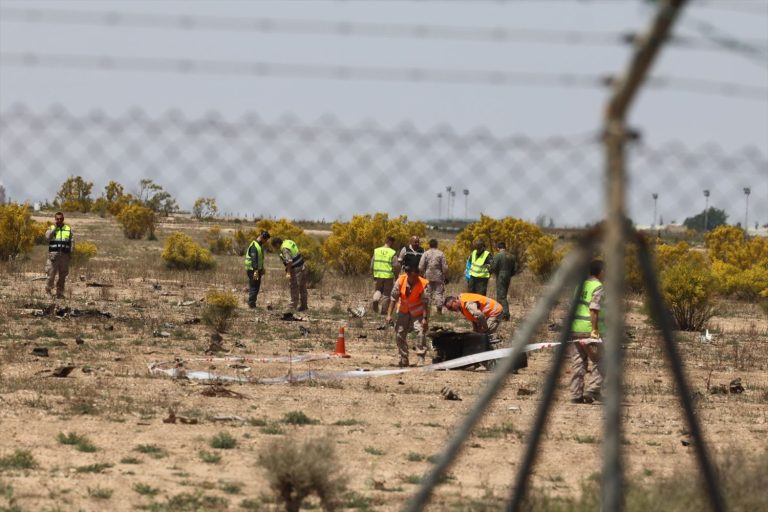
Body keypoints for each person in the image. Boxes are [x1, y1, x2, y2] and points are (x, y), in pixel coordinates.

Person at [569, 259, 606, 404]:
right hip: (589, 330)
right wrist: (595, 330)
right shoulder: (598, 286)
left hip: (575, 328)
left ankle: (576, 394)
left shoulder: (580, 286)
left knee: (578, 363)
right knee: (602, 360)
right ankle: (593, 390)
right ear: (601, 272)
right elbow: (594, 309)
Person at [386, 265, 430, 367]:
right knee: (399, 333)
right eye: (413, 277)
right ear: (408, 274)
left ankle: (420, 358)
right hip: (403, 310)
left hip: (418, 312)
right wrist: (389, 315)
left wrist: (425, 319)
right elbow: (393, 298)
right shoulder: (400, 280)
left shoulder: (423, 283)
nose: (415, 279)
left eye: (417, 276)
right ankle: (404, 358)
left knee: (420, 332)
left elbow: (425, 303)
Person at [271, 237, 308, 311]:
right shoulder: (288, 242)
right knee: (302, 288)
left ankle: (292, 307)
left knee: (294, 287)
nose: (276, 249)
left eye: (275, 246)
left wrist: (288, 272)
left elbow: (289, 261)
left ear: (278, 244)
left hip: (296, 269)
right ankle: (304, 306)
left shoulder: (284, 248)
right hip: (302, 266)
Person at [45, 211, 73, 299]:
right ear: (55, 219)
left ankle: (59, 293)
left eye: (61, 219)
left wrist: (71, 252)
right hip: (54, 256)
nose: (59, 220)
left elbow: (72, 241)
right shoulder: (51, 227)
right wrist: (55, 228)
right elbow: (47, 237)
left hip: (64, 256)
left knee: (63, 276)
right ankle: (48, 291)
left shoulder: (68, 228)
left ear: (63, 219)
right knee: (51, 275)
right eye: (57, 219)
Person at [419, 239, 448, 314]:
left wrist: (421, 274)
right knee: (439, 293)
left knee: (428, 292)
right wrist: (445, 275)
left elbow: (421, 266)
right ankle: (439, 309)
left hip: (428, 275)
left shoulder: (426, 253)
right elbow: (444, 267)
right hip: (438, 275)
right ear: (437, 245)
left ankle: (427, 309)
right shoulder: (441, 254)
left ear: (429, 245)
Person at [490, 241, 517, 321]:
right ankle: (500, 313)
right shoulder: (512, 256)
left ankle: (505, 314)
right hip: (508, 275)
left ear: (498, 248)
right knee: (503, 293)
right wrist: (510, 274)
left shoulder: (498, 256)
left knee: (501, 295)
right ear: (505, 247)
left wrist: (490, 271)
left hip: (501, 275)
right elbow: (515, 268)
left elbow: (493, 267)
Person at [370, 236, 397, 315]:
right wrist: (396, 275)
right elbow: (395, 265)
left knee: (378, 290)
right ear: (391, 242)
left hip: (378, 275)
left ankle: (375, 299)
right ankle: (384, 312)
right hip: (388, 276)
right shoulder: (392, 252)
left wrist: (373, 274)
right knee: (386, 294)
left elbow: (372, 265)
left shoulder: (377, 251)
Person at [244, 230, 270, 308]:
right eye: (266, 240)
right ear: (262, 237)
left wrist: (261, 269)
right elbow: (254, 260)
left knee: (256, 286)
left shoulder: (259, 245)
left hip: (256, 270)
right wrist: (256, 271)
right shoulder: (254, 246)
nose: (266, 242)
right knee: (254, 287)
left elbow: (259, 259)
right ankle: (251, 304)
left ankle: (252, 303)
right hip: (253, 270)